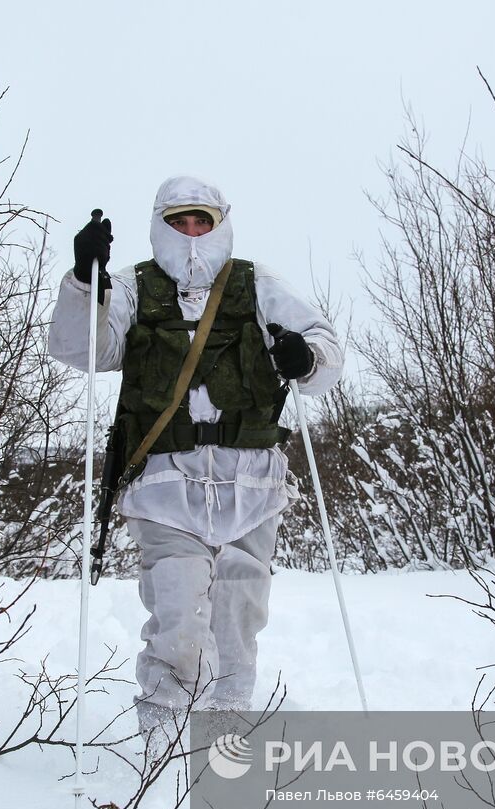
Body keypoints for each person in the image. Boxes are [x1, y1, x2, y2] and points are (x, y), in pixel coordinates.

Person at [47, 175, 343, 747]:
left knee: (238, 618)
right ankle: (160, 748)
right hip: (165, 483)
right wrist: (86, 283)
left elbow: (326, 354)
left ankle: (225, 742)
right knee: (179, 613)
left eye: (201, 221)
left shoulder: (258, 285)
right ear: (161, 224)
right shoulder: (131, 287)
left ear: (219, 223)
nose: (190, 233)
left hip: (251, 483)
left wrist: (303, 356)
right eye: (179, 221)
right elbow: (79, 349)